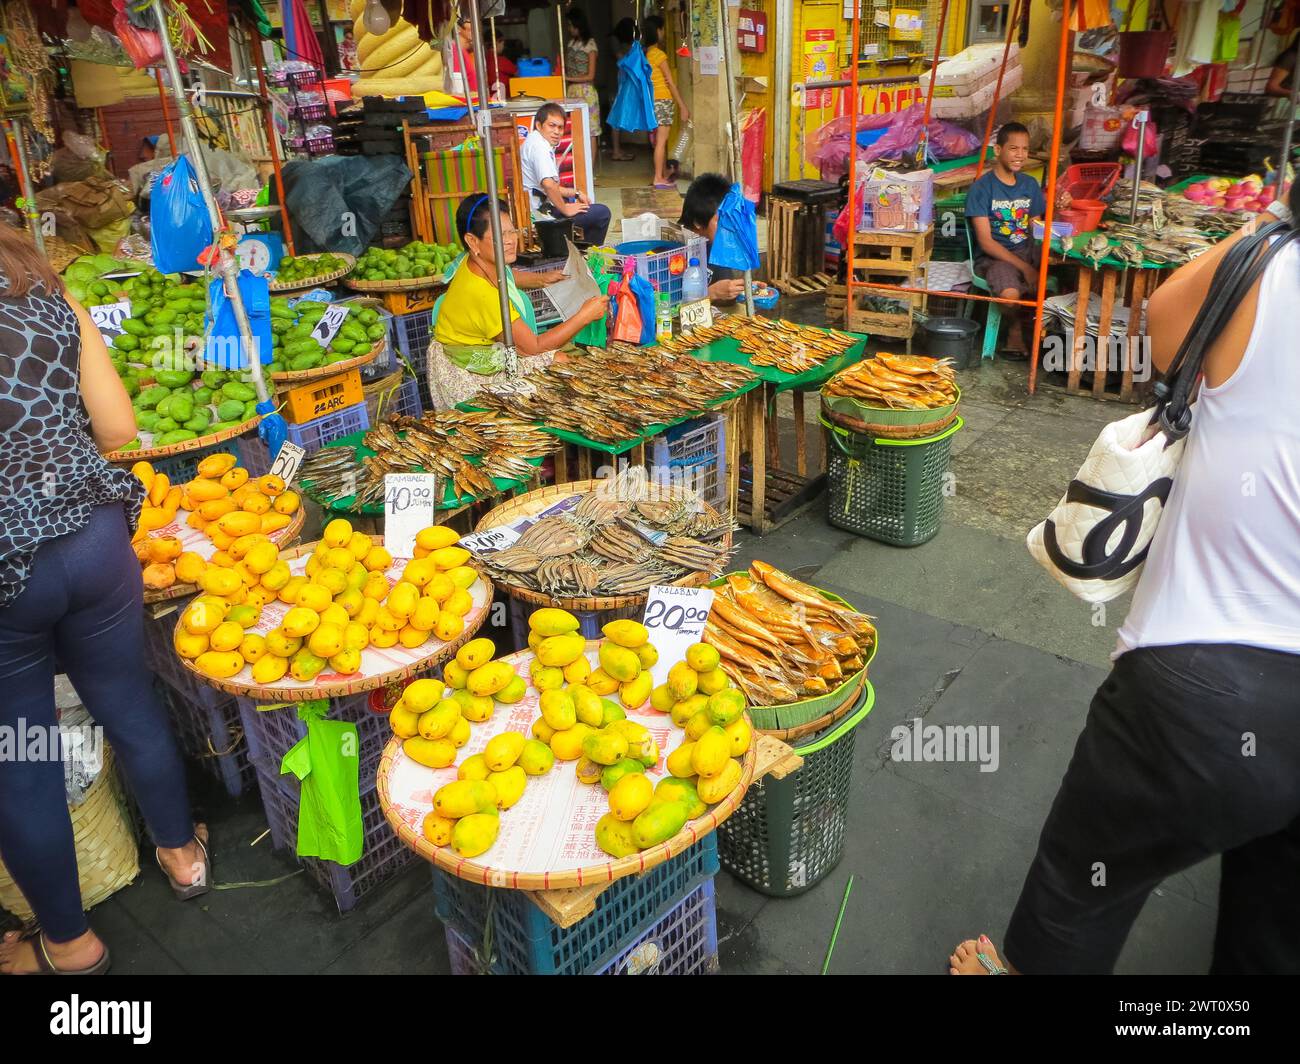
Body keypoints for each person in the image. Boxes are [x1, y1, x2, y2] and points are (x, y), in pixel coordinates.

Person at [950, 187, 1300, 976]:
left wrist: (1276, 223)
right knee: (1275, 932)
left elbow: (1167, 323)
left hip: (1208, 683)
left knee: (1083, 886)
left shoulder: (1267, 272)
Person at [0, 223, 211, 976]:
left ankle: (68, 942)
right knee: (125, 700)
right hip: (92, 542)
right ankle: (183, 853)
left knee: (20, 757)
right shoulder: (47, 292)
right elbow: (119, 426)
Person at [428, 195, 607, 409]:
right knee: (561, 365)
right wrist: (584, 316)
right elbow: (533, 348)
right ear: (472, 240)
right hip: (467, 375)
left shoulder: (480, 261)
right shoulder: (482, 295)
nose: (511, 240)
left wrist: (539, 279)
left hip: (482, 353)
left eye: (511, 231)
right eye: (500, 235)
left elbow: (505, 276)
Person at [965, 122, 1069, 357]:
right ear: (998, 150)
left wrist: (1059, 208)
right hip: (996, 256)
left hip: (1027, 247)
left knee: (1070, 269)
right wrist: (1026, 268)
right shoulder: (981, 189)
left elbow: (1036, 226)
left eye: (1025, 149)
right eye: (1013, 148)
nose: (1020, 155)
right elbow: (985, 242)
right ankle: (1014, 330)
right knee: (1010, 295)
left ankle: (1057, 336)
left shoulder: (1029, 185)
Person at [520, 102, 612, 245]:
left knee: (579, 205)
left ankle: (577, 254)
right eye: (552, 126)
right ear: (539, 125)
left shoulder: (534, 140)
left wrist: (575, 193)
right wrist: (565, 209)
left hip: (540, 208)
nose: (557, 131)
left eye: (560, 127)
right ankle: (588, 258)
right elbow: (549, 185)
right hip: (541, 215)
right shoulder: (540, 148)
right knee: (602, 213)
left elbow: (548, 186)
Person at [678, 172, 747, 303]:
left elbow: (725, 297)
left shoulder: (718, 247)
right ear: (698, 222)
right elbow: (667, 308)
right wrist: (712, 293)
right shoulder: (674, 252)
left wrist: (744, 288)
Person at [642, 16, 689, 190]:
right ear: (658, 31)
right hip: (663, 100)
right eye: (662, 29)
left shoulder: (646, 55)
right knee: (662, 141)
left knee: (658, 141)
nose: (663, 33)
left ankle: (661, 174)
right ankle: (658, 177)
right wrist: (682, 106)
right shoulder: (659, 55)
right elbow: (671, 83)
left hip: (653, 102)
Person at [563, 8, 601, 169]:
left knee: (591, 132)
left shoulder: (590, 45)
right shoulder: (571, 43)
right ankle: (578, 169)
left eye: (571, 25)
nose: (569, 29)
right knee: (575, 131)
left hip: (586, 91)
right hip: (571, 92)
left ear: (579, 25)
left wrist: (567, 78)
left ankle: (590, 170)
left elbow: (590, 75)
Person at [608, 18, 637, 162]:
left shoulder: (621, 42)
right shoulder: (614, 40)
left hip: (622, 83)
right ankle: (616, 151)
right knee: (616, 119)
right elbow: (622, 60)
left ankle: (617, 149)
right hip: (615, 84)